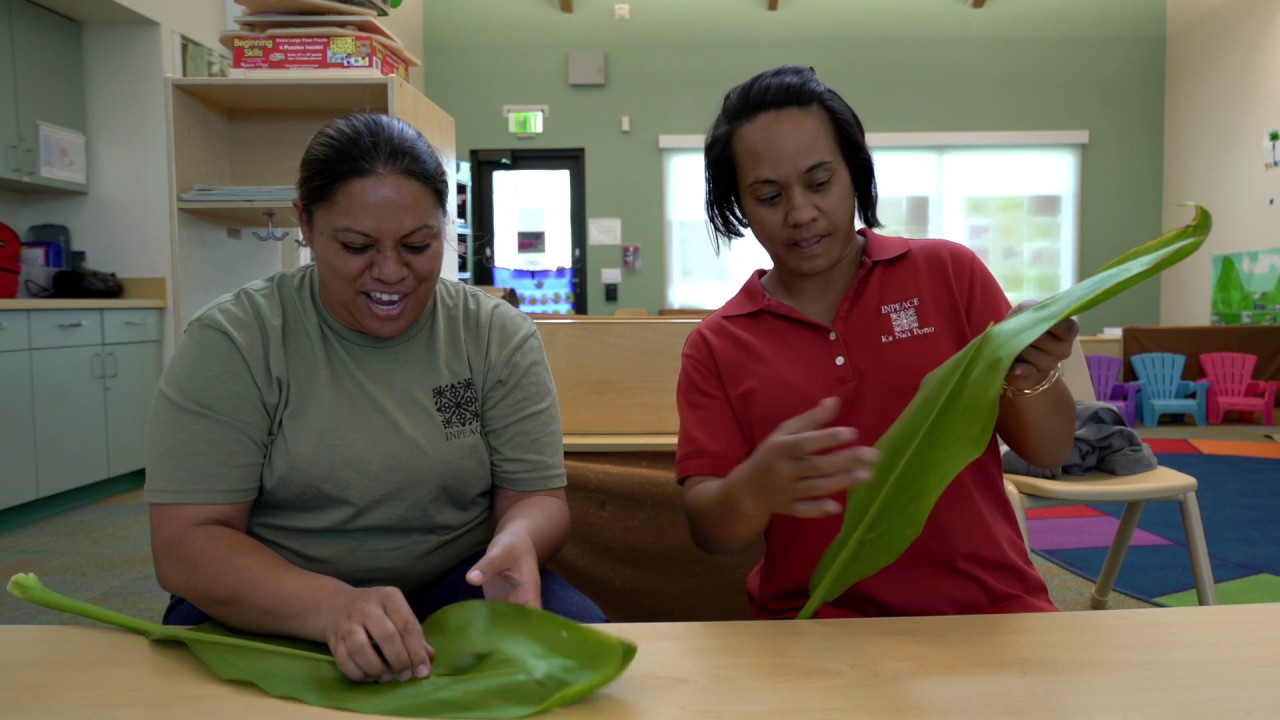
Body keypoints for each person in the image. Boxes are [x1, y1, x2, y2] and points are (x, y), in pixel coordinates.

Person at [146, 113, 605, 684]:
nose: (390, 273)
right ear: (305, 224)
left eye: (418, 245)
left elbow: (538, 497)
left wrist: (517, 540)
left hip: (457, 585)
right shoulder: (237, 340)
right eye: (356, 245)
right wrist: (330, 606)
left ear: (447, 227)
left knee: (578, 672)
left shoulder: (492, 336)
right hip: (274, 596)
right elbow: (187, 543)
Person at [677, 65, 1078, 620]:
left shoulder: (948, 274)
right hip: (819, 624)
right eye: (769, 195)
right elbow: (710, 530)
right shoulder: (718, 343)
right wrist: (754, 488)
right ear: (740, 205)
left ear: (854, 173)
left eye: (820, 183)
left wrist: (1035, 373)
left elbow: (1052, 450)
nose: (800, 214)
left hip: (990, 610)